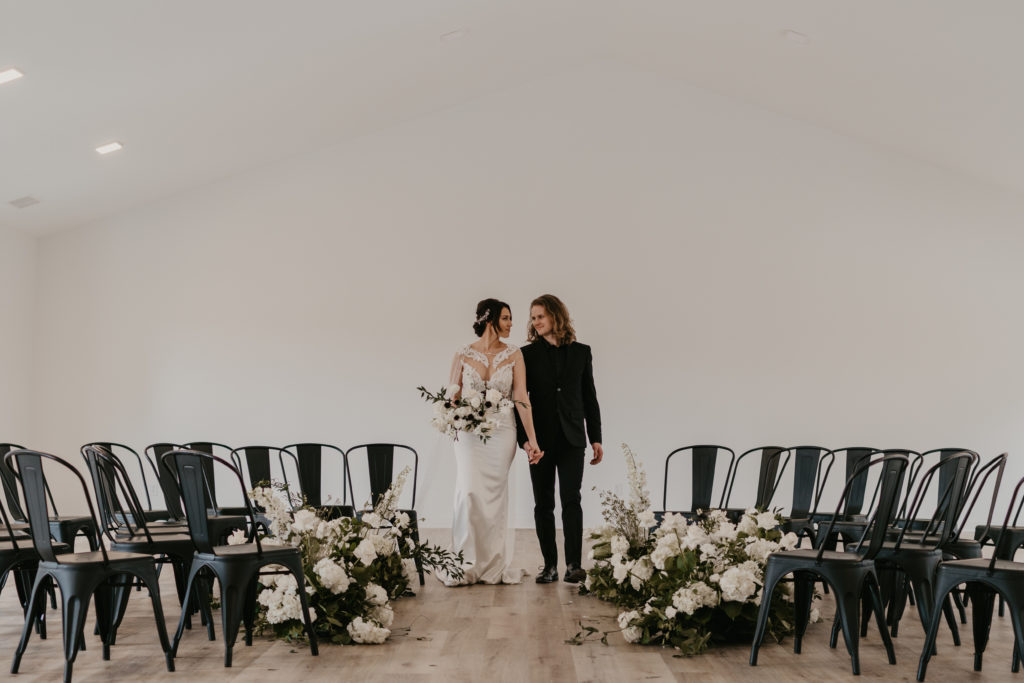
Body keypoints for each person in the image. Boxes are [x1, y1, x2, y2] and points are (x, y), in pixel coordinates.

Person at [438, 298, 543, 586]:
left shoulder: (514, 354)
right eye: (506, 318)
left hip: (502, 432)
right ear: (489, 319)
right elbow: (452, 396)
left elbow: (521, 397)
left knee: (494, 498)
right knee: (469, 491)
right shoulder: (462, 353)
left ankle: (491, 563)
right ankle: (464, 561)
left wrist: (532, 439)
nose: (511, 324)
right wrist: (454, 416)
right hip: (468, 434)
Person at [516, 294, 602, 584]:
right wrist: (525, 441)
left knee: (571, 500)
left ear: (556, 316)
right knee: (543, 504)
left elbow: (589, 397)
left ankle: (574, 565)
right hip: (539, 441)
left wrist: (596, 437)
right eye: (533, 318)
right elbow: (519, 401)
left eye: (540, 316)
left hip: (572, 438)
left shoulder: (581, 352)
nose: (536, 322)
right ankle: (550, 566)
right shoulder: (526, 355)